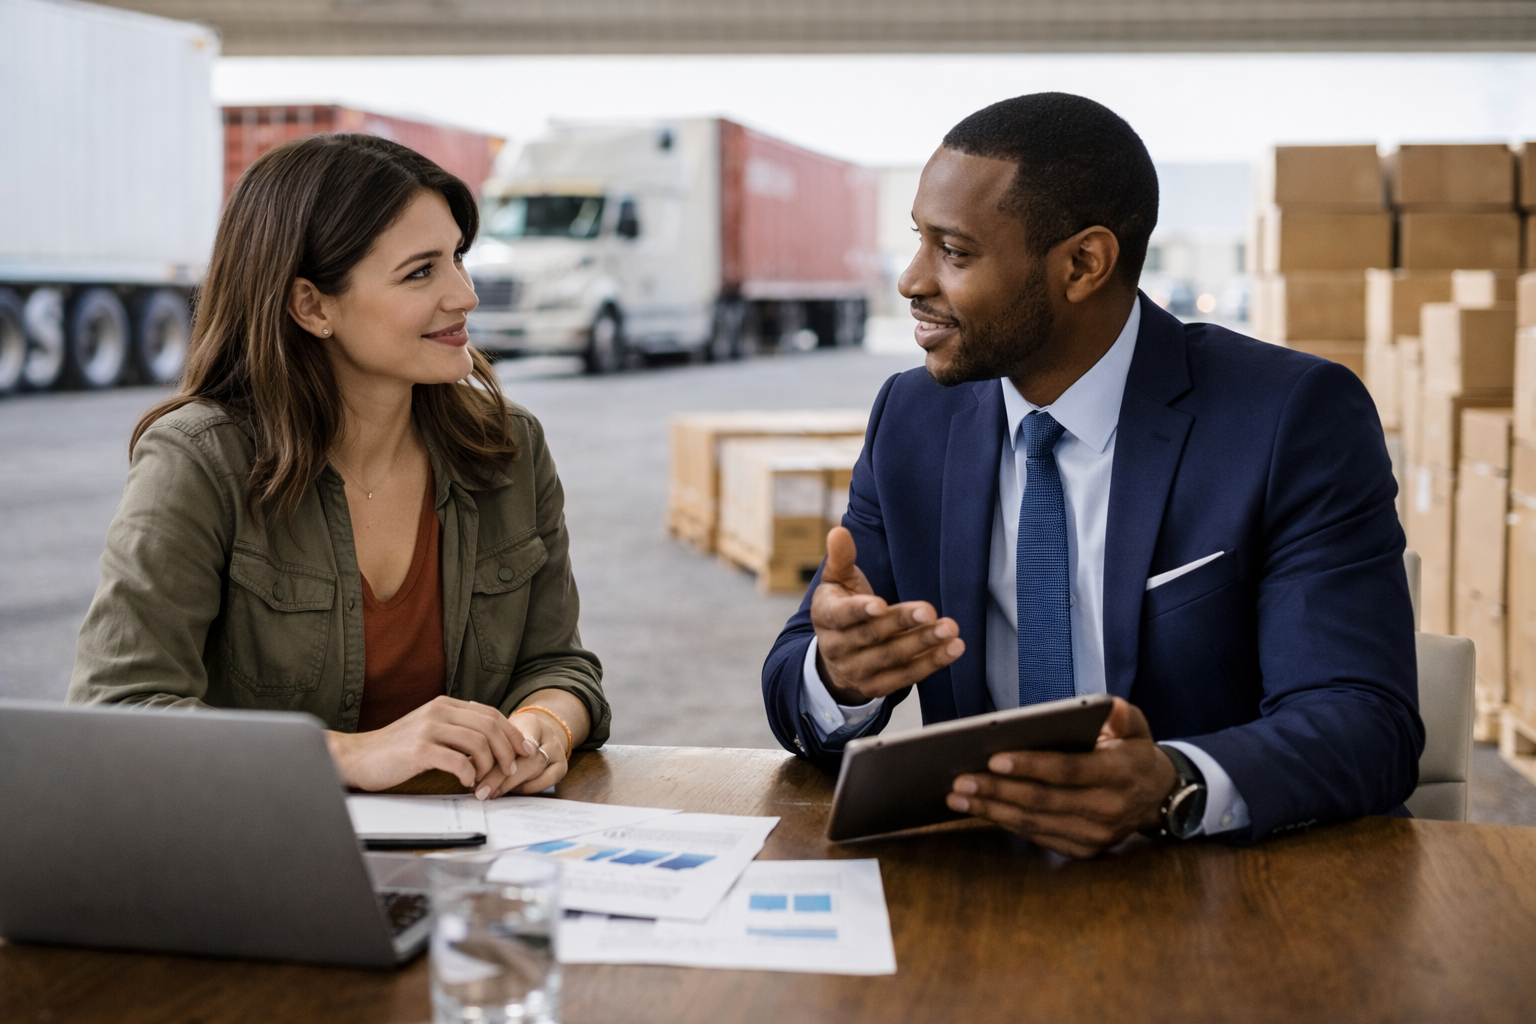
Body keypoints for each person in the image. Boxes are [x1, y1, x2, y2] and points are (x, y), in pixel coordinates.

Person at [762, 93, 1422, 857]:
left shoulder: (1290, 418)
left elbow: (1364, 722)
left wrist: (1172, 782)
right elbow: (793, 679)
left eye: (955, 252)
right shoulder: (914, 420)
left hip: (1220, 884)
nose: (911, 280)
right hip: (984, 887)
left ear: (1083, 264)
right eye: (919, 242)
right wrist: (838, 677)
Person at [69, 133, 608, 799]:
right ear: (312, 306)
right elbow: (119, 711)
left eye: (458, 259)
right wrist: (351, 756)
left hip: (474, 858)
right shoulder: (200, 459)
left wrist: (541, 726)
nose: (464, 295)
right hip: (254, 862)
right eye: (421, 272)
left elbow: (557, 663)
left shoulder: (507, 448)